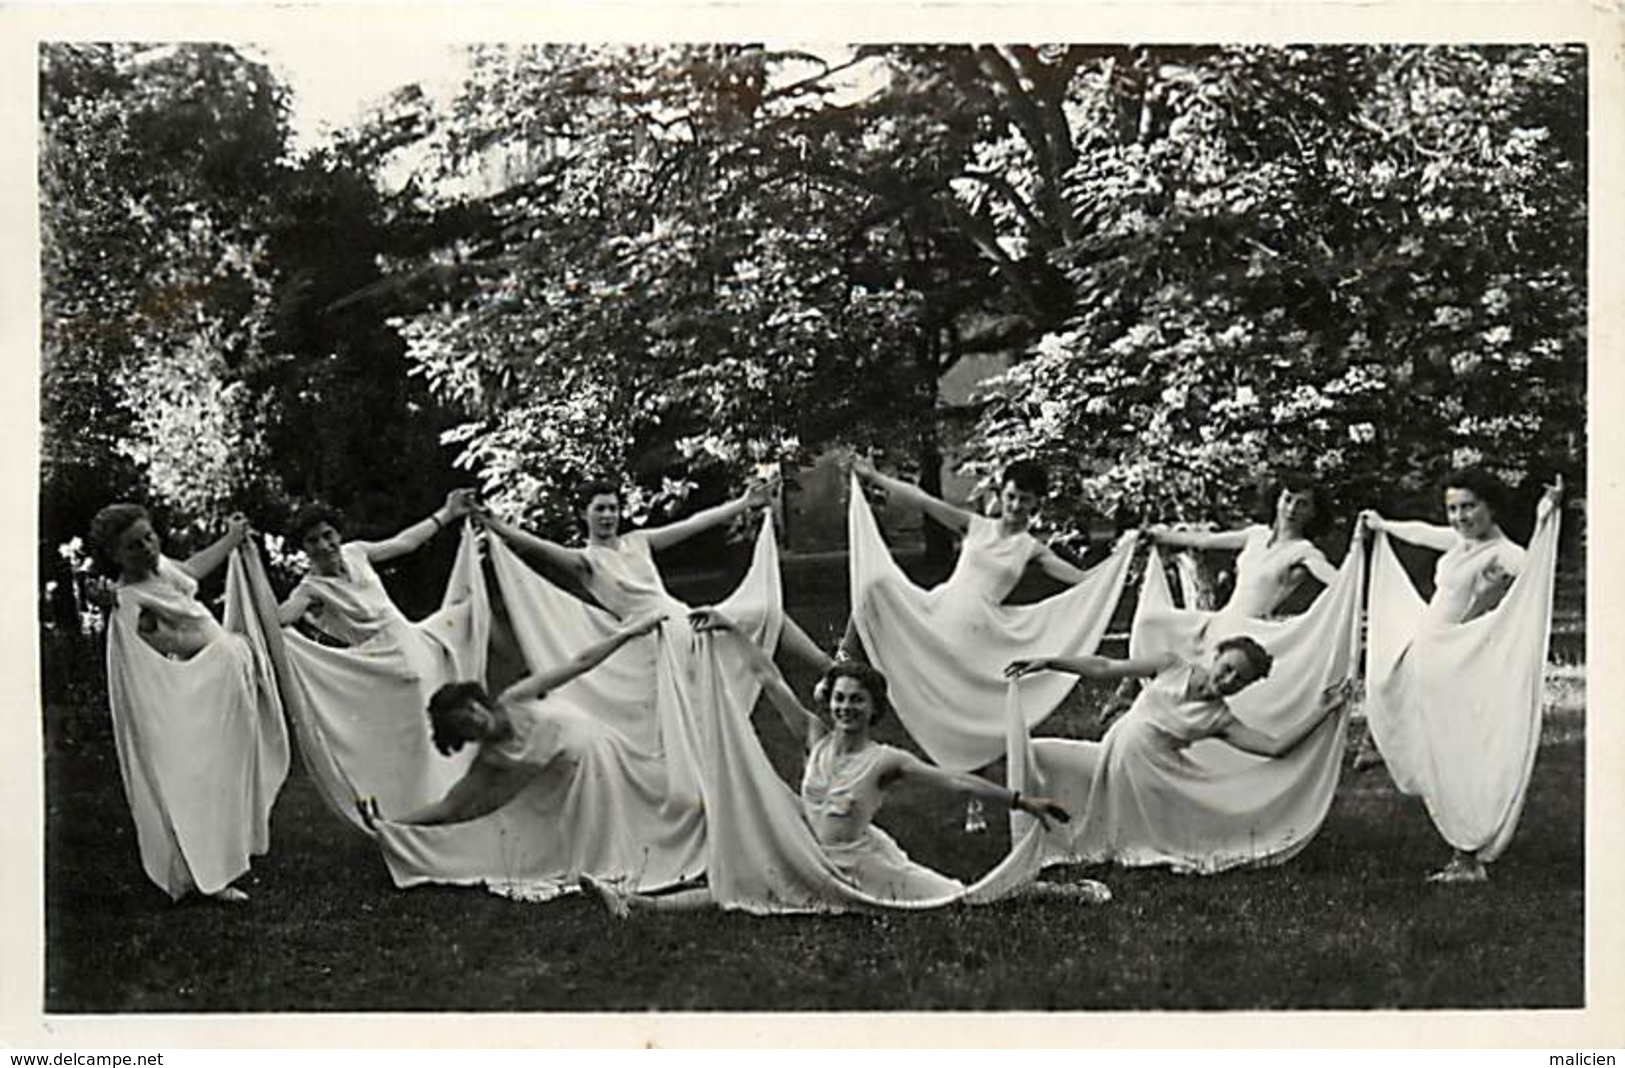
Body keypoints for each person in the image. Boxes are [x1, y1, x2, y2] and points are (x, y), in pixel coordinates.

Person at [577, 607, 1097, 917]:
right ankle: (635, 903)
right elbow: (767, 678)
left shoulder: (884, 759)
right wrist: (731, 628)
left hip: (861, 863)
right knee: (740, 881)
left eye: (857, 701)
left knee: (960, 899)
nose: (845, 707)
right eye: (840, 698)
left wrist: (1021, 800)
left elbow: (955, 782)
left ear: (874, 710)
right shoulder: (814, 736)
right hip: (810, 853)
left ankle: (1059, 892)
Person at [841, 455, 1139, 830]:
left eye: (1025, 501)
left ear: (1036, 505)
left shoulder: (1030, 548)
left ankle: (976, 805)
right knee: (873, 585)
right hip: (940, 613)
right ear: (1002, 493)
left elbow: (1081, 580)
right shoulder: (976, 527)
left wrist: (1123, 558)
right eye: (1012, 497)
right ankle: (842, 660)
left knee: (977, 716)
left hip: (981, 636)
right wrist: (873, 477)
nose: (1016, 507)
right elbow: (921, 500)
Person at [1357, 471, 1564, 883]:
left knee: (1452, 756)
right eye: (1453, 507)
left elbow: (1534, 570)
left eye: (1469, 506)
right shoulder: (1460, 544)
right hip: (1430, 651)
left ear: (1491, 507)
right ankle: (1384, 743)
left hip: (1456, 659)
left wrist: (1545, 517)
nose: (1459, 516)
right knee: (1389, 680)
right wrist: (1383, 525)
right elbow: (1421, 533)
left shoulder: (1501, 552)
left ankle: (1466, 855)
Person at [1004, 642, 1356, 873]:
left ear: (1246, 687)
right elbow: (1105, 665)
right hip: (1109, 761)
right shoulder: (1170, 665)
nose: (1229, 679)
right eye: (1228, 667)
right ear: (1215, 656)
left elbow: (1274, 746)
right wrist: (1051, 661)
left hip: (1151, 782)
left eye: (1240, 680)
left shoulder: (1220, 718)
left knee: (1137, 846)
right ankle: (1024, 843)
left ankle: (1082, 844)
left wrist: (1322, 711)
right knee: (1037, 751)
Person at [91, 503, 290, 904]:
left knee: (230, 771)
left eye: (149, 537)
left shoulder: (161, 569)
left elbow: (193, 569)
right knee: (202, 776)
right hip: (206, 683)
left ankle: (227, 854)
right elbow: (152, 645)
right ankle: (204, 872)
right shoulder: (131, 600)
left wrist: (232, 538)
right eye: (134, 546)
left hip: (226, 677)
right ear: (115, 555)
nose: (147, 548)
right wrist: (219, 651)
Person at [271, 489, 486, 821]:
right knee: (414, 735)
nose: (325, 545)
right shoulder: (311, 589)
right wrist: (250, 592)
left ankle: (449, 799)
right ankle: (418, 809)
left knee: (469, 616)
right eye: (313, 541)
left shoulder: (356, 553)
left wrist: (447, 513)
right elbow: (281, 618)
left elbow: (404, 543)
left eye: (328, 535)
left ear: (338, 534)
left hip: (413, 643)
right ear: (305, 548)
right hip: (384, 666)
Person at [358, 611, 668, 827]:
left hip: (610, 750)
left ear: (479, 702)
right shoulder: (491, 758)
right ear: (464, 738)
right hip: (588, 788)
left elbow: (581, 663)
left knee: (669, 795)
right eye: (463, 724)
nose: (474, 719)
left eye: (470, 709)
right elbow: (450, 806)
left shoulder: (516, 698)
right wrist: (388, 825)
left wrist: (629, 632)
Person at [1145, 473, 1339, 620]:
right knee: (1154, 624)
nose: (1291, 510)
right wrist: (1156, 536)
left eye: (1302, 504)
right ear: (1277, 501)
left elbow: (1338, 581)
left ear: (1314, 512)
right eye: (1287, 499)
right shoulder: (1257, 534)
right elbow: (1205, 541)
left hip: (1251, 629)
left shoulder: (1304, 551)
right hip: (1225, 619)